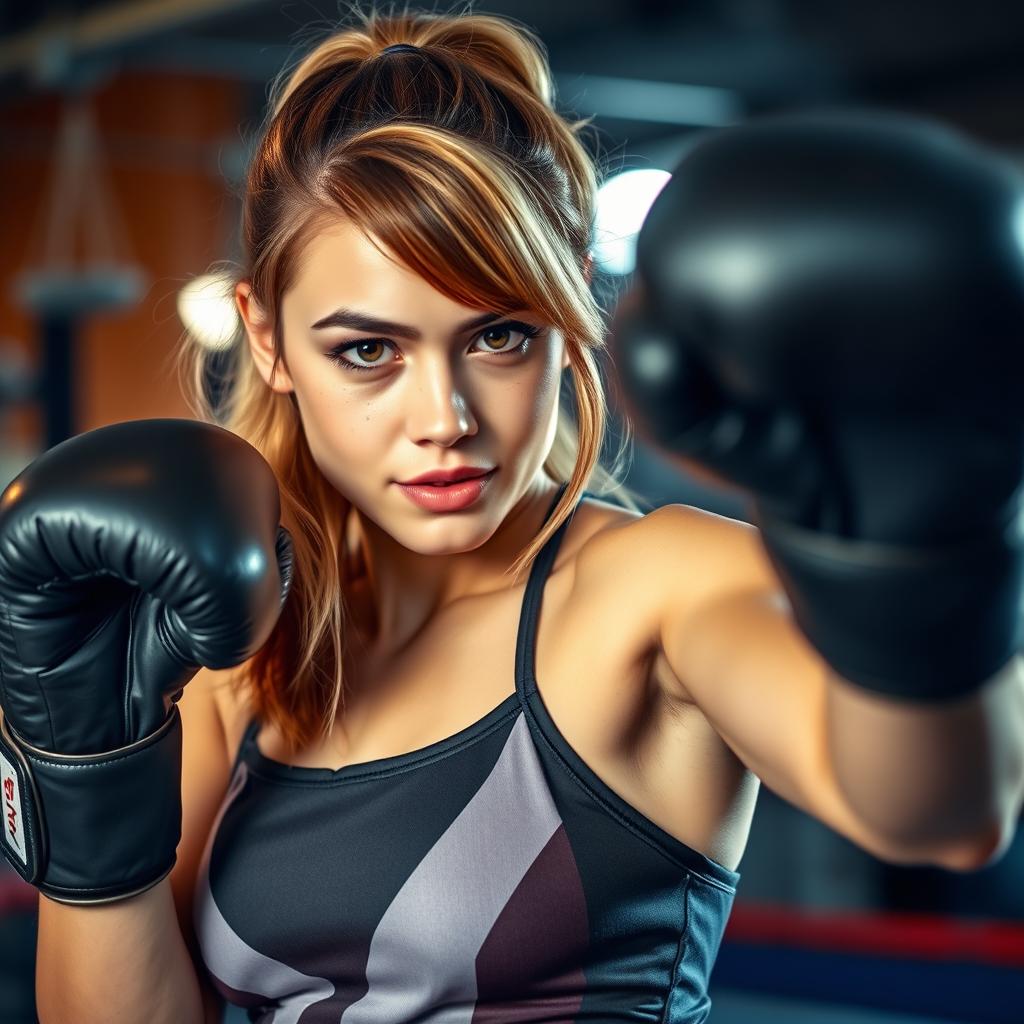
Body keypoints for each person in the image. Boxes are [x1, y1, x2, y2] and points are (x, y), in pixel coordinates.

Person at [5, 6, 1022, 1024]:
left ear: (569, 305)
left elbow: (934, 814)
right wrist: (84, 784)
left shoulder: (649, 591)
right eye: (368, 351)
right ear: (268, 343)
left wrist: (913, 534)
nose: (443, 419)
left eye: (497, 336)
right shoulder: (239, 651)